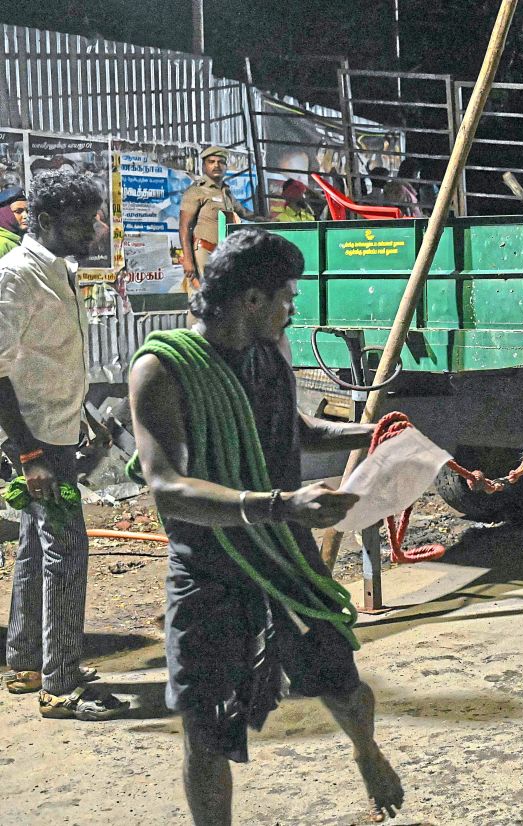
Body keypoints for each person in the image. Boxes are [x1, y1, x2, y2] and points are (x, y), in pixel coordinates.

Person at [128, 229, 404, 824]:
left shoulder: (270, 353)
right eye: (286, 295)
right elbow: (167, 488)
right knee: (205, 726)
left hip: (284, 554)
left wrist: (379, 436)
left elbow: (299, 432)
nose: (293, 307)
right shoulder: (163, 369)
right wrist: (280, 503)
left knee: (341, 680)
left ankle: (366, 750)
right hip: (210, 568)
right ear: (252, 299)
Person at [0, 170, 129, 718]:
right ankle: (62, 685)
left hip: (53, 432)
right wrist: (27, 454)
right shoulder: (16, 278)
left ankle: (27, 663)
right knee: (66, 554)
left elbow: (46, 360)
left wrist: (82, 419)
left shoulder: (57, 270)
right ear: (44, 221)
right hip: (34, 445)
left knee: (35, 547)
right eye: (84, 220)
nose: (96, 229)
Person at [179, 146, 264, 291]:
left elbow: (244, 212)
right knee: (203, 301)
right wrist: (187, 259)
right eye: (211, 162)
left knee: (222, 298)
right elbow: (184, 226)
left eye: (221, 162)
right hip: (204, 251)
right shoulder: (197, 191)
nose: (216, 165)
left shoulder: (226, 192)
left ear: (225, 167)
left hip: (225, 254)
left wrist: (268, 220)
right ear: (204, 167)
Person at [0, 187, 29, 257]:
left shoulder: (20, 239)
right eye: (18, 211)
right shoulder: (2, 244)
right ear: (4, 214)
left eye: (27, 211)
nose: (26, 216)